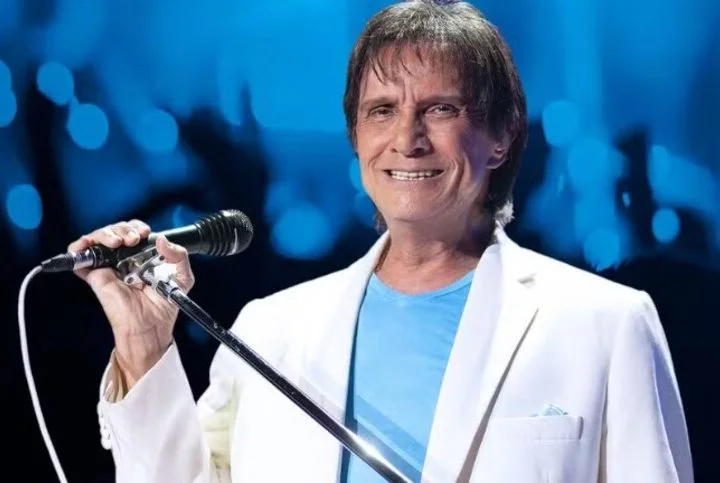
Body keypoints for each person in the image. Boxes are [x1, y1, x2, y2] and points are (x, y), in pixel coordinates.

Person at [72, 1, 693, 482]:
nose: (407, 139)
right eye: (382, 110)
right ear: (355, 137)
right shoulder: (270, 331)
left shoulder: (605, 323)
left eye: (441, 109)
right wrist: (144, 344)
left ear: (502, 136)